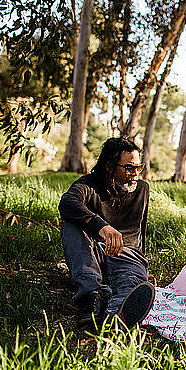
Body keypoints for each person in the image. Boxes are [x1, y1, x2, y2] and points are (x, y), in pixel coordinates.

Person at [58, 137, 155, 329]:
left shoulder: (142, 189)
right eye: (128, 168)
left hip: (127, 254)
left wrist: (143, 264)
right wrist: (100, 225)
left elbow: (140, 230)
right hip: (92, 254)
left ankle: (117, 317)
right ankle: (92, 298)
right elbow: (67, 203)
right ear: (110, 166)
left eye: (138, 167)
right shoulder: (88, 184)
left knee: (130, 282)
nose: (135, 174)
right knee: (70, 224)